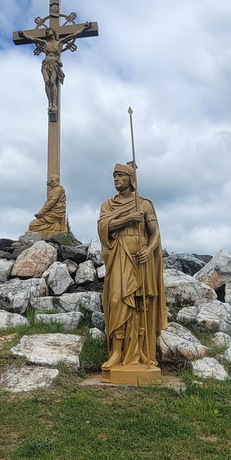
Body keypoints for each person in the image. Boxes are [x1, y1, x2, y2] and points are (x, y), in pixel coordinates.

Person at [98, 162, 167, 383]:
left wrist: (149, 250)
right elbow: (103, 228)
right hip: (120, 256)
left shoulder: (144, 204)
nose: (116, 179)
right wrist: (127, 219)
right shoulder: (107, 205)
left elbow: (156, 234)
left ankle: (142, 352)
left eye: (120, 176)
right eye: (114, 176)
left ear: (130, 178)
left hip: (141, 259)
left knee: (141, 304)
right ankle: (117, 353)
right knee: (118, 301)